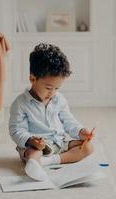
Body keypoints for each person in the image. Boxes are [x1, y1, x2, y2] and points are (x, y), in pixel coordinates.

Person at [9, 43, 94, 181]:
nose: (52, 93)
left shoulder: (59, 100)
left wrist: (80, 131)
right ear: (32, 78)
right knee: (33, 153)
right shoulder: (20, 104)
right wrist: (31, 140)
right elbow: (16, 130)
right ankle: (35, 162)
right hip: (37, 146)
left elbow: (69, 121)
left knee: (88, 148)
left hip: (60, 144)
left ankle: (49, 161)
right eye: (48, 87)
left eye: (57, 88)